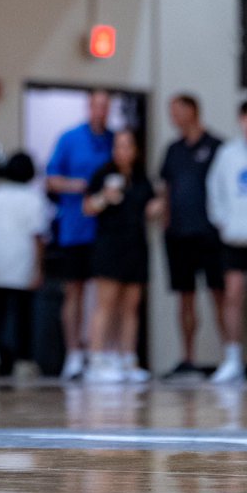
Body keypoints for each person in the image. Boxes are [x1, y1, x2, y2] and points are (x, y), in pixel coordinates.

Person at [83, 129, 163, 383]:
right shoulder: (103, 174)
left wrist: (163, 203)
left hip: (136, 247)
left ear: (135, 149)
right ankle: (96, 360)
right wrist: (103, 198)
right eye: (118, 146)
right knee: (105, 304)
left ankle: (127, 359)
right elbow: (88, 207)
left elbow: (151, 208)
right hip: (109, 246)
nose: (122, 151)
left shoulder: (141, 179)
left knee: (131, 306)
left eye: (127, 146)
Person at [46, 90, 114, 380]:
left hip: (106, 231)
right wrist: (82, 186)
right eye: (96, 105)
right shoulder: (70, 138)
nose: (101, 111)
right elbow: (51, 179)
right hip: (75, 228)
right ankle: (73, 352)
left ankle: (99, 352)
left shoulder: (114, 141)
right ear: (89, 107)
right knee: (74, 291)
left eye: (105, 106)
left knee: (104, 293)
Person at [159, 94, 224, 380]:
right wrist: (165, 221)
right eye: (170, 112)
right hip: (179, 235)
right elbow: (165, 189)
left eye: (177, 111)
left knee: (219, 295)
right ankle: (188, 359)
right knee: (185, 298)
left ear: (193, 111)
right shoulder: (172, 150)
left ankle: (230, 357)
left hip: (211, 235)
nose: (173, 116)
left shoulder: (217, 147)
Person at [0, 151, 50, 378]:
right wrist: (39, 268)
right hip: (22, 262)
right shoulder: (35, 198)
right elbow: (38, 237)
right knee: (23, 314)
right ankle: (23, 360)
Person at [206, 100, 247, 384]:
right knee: (232, 296)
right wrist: (222, 222)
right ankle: (233, 358)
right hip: (235, 238)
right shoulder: (228, 154)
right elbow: (214, 190)